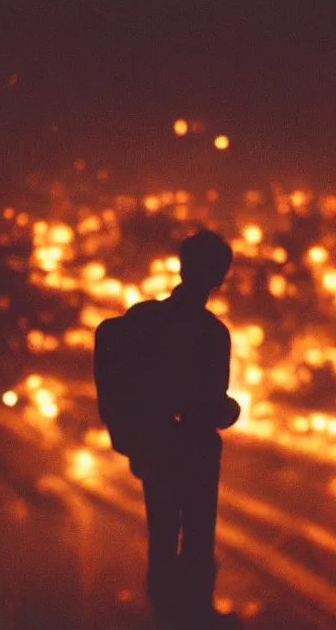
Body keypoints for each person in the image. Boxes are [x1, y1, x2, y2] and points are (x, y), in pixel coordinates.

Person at [102, 230, 241, 629]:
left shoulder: (143, 320)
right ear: (219, 277)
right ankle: (194, 613)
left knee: (163, 535)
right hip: (195, 450)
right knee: (196, 537)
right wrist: (229, 410)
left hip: (158, 447)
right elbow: (212, 404)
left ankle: (167, 613)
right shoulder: (213, 334)